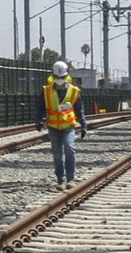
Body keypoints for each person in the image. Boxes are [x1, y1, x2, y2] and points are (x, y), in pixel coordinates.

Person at [35, 60, 90, 190]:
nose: (60, 79)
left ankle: (70, 179)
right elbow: (39, 107)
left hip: (68, 126)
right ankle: (61, 180)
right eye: (57, 77)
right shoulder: (46, 91)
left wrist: (83, 125)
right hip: (53, 127)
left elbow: (79, 109)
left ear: (67, 76)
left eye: (62, 77)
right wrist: (38, 121)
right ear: (53, 77)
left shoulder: (74, 91)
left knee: (69, 150)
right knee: (57, 154)